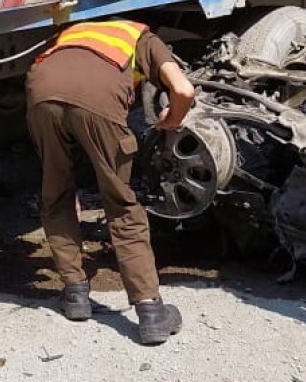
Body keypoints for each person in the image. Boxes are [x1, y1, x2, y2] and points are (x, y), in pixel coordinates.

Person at [25, 18, 195, 345]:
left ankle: (75, 294)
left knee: (57, 193)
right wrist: (172, 119)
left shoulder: (75, 32)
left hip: (41, 90)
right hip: (97, 98)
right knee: (120, 203)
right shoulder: (143, 36)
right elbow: (183, 89)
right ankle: (151, 312)